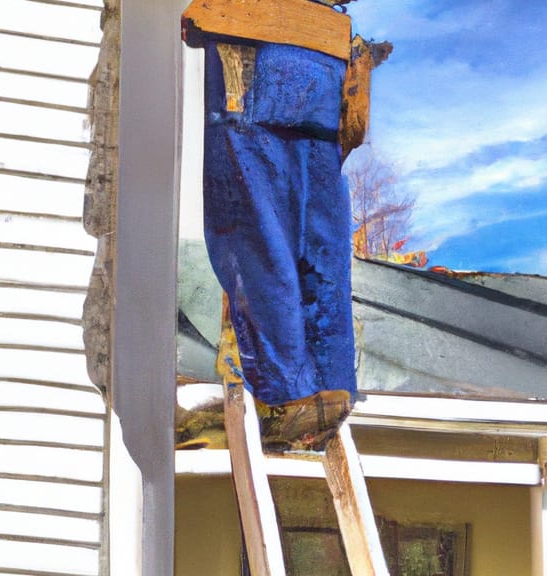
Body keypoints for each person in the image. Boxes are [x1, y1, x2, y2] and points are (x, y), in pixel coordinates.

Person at [186, 0, 381, 451]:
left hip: (251, 36)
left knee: (255, 231)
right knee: (316, 241)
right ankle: (330, 395)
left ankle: (287, 399)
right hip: (323, 58)